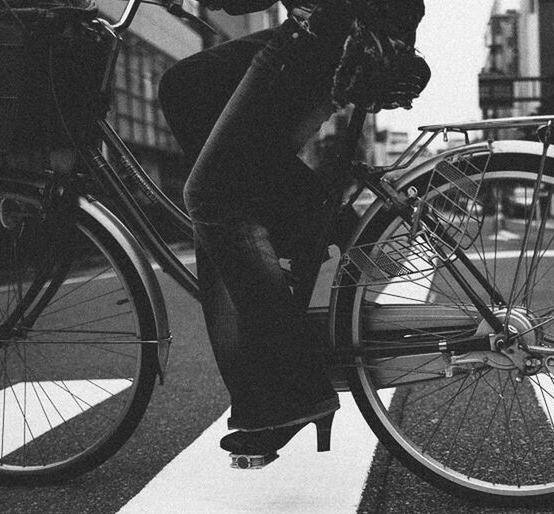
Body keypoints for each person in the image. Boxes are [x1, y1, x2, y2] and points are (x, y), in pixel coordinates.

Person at [158, 0, 428, 469]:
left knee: (210, 195)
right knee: (185, 86)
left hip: (337, 28)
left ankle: (290, 391)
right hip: (345, 22)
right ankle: (315, 219)